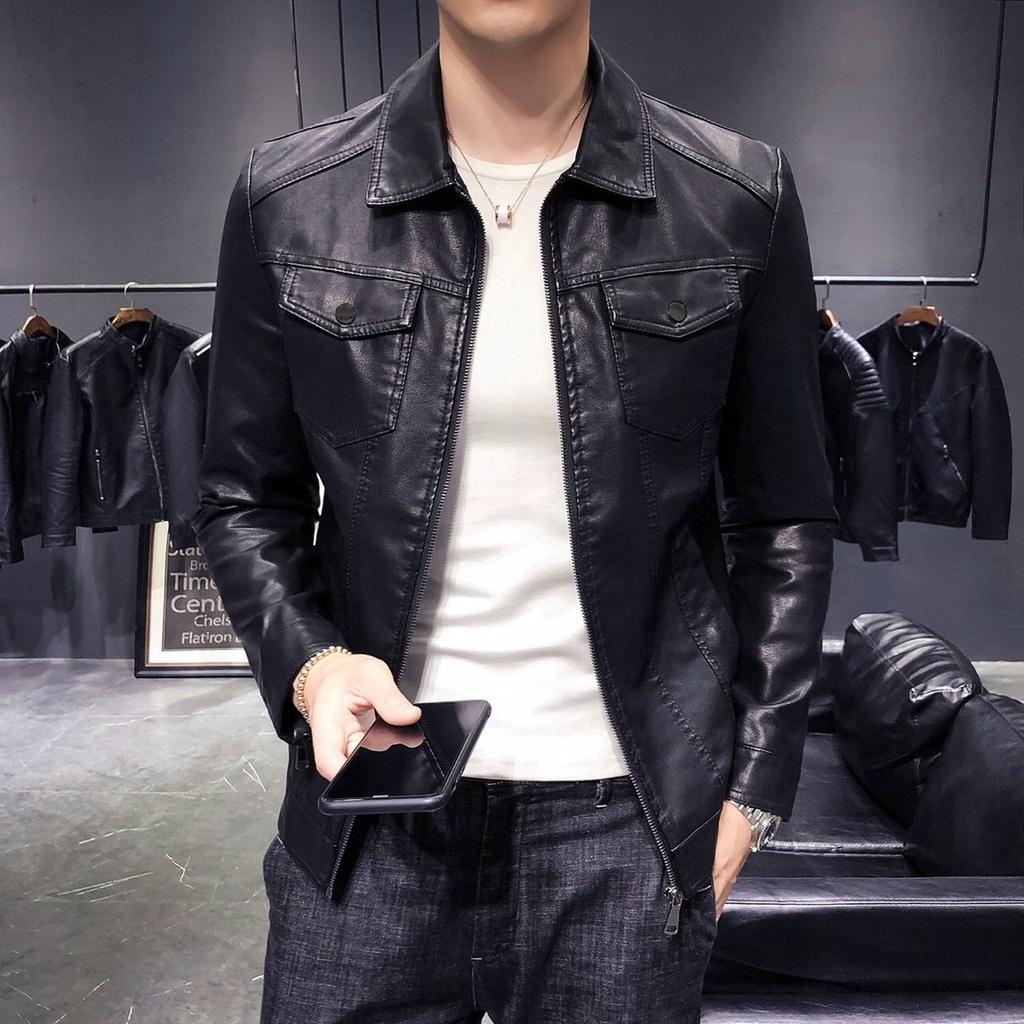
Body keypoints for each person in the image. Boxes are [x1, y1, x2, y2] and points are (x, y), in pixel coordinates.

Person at [194, 1, 837, 1021]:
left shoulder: (731, 197)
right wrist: (313, 668)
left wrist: (753, 791)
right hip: (371, 817)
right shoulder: (292, 198)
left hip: (626, 821)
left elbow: (783, 515)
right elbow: (241, 498)